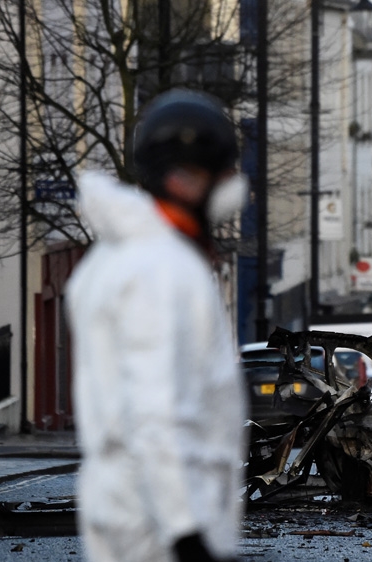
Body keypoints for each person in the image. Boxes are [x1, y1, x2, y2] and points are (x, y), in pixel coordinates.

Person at [66, 89, 249, 562]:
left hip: (130, 505)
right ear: (188, 179)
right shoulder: (161, 269)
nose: (234, 186)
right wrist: (187, 531)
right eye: (225, 172)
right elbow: (156, 412)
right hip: (158, 520)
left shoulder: (116, 258)